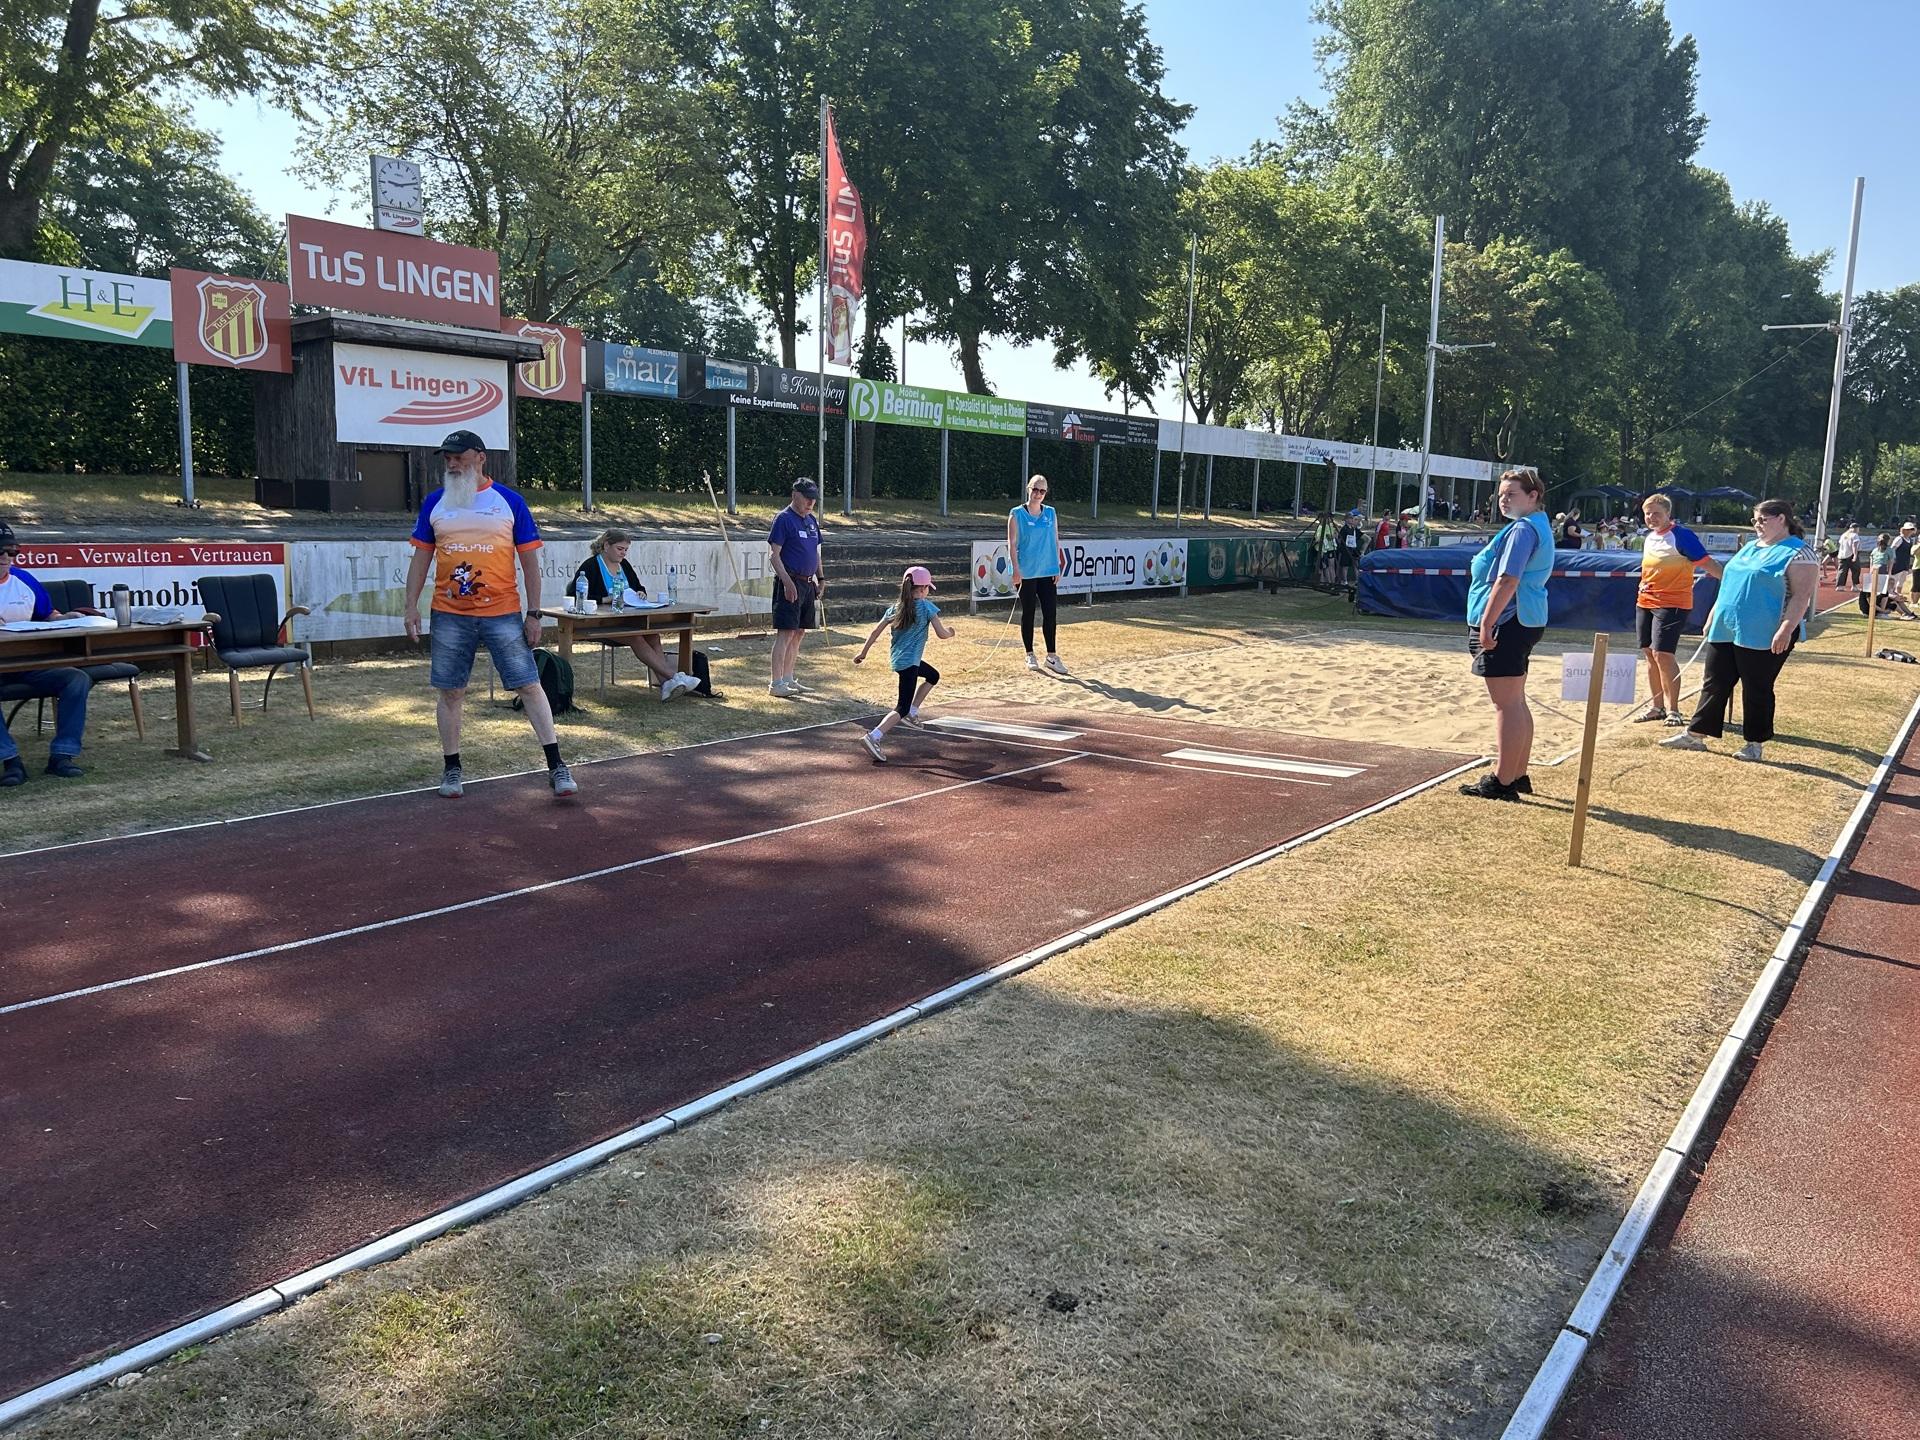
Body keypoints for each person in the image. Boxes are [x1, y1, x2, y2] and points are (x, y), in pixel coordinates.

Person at [404, 431, 576, 799]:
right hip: (449, 615)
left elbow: (530, 563)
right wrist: (410, 606)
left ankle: (557, 765)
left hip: (503, 613)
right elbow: (420, 560)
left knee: (529, 685)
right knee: (451, 692)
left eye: (459, 457)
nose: (452, 464)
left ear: (480, 457)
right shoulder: (434, 503)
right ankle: (452, 769)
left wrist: (534, 613)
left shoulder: (510, 502)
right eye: (447, 458)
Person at [1661, 499, 1818, 764]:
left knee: (1757, 686)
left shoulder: (1800, 553)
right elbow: (1729, 583)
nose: (1757, 525)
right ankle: (1696, 734)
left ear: (1781, 519)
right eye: (1754, 520)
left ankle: (1754, 743)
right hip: (1727, 626)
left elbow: (1801, 597)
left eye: (1762, 520)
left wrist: (1786, 629)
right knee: (1714, 681)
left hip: (1765, 631)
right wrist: (1713, 615)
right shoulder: (1749, 547)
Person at [1458, 467, 1555, 801]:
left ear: (1533, 496)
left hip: (1509, 621)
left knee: (1507, 704)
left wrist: (1487, 623)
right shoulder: (1533, 525)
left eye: (1511, 494)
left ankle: (1502, 781)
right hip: (1525, 619)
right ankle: (1517, 772)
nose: (1503, 500)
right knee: (1516, 700)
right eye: (1501, 495)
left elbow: (1508, 579)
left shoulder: (1523, 530)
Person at [0, 522, 93, 782]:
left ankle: (62, 755)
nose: (6, 557)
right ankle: (10, 761)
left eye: (11, 551)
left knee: (76, 678)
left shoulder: (24, 579)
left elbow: (48, 615)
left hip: (30, 663)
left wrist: (67, 618)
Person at [569, 530, 700, 701]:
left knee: (653, 635)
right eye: (619, 549)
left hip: (626, 618)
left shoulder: (624, 565)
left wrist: (641, 593)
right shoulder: (591, 566)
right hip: (601, 622)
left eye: (625, 550)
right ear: (606, 546)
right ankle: (674, 677)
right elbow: (575, 595)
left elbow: (638, 586)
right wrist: (606, 599)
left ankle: (666, 685)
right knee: (636, 637)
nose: (623, 553)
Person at [1633, 493, 1723, 727]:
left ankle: (1674, 710)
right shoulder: (1649, 537)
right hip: (1645, 602)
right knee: (1649, 653)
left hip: (1672, 603)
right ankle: (1657, 707)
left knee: (1663, 654)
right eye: (1647, 513)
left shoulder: (1682, 536)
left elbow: (1708, 563)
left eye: (1656, 513)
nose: (1651, 518)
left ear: (1668, 513)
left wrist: (1730, 582)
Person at [853, 565, 954, 763]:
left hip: (902, 660)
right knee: (901, 707)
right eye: (928, 588)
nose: (928, 591)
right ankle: (874, 736)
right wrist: (951, 632)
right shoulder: (927, 607)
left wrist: (863, 653)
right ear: (923, 588)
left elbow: (875, 632)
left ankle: (913, 713)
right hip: (910, 663)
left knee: (933, 675)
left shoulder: (895, 608)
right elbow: (942, 634)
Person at [767, 478, 825, 697]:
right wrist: (787, 582)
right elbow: (774, 556)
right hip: (790, 582)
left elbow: (815, 552)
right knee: (786, 632)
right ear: (795, 495)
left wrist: (821, 578)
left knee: (799, 632)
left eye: (813, 499)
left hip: (807, 583)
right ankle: (776, 683)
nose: (811, 503)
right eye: (807, 498)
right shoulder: (783, 519)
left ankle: (789, 678)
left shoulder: (811, 520)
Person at [1008, 474, 1069, 675]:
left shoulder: (1051, 512)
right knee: (1029, 612)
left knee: (1050, 613)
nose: (1038, 494)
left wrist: (1057, 565)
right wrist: (1015, 570)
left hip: (1048, 570)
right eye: (1035, 489)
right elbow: (1012, 544)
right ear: (1029, 489)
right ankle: (1029, 653)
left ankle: (1052, 655)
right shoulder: (1016, 514)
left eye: (1042, 491)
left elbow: (1055, 539)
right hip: (1026, 571)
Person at [1336, 510, 1365, 587]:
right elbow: (1340, 539)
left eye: (1352, 518)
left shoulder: (1352, 529)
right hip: (1345, 549)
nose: (1352, 520)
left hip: (1351, 549)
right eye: (1350, 518)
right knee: (1344, 566)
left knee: (1352, 565)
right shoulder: (1344, 529)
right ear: (1346, 519)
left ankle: (1355, 580)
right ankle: (1344, 581)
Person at [1836, 522, 1863, 590]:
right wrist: (1855, 555)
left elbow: (1840, 544)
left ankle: (1840, 586)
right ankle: (1855, 586)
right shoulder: (1854, 535)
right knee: (1856, 570)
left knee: (1842, 571)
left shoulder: (1844, 535)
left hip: (1842, 555)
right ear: (1856, 528)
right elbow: (1854, 546)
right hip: (1851, 554)